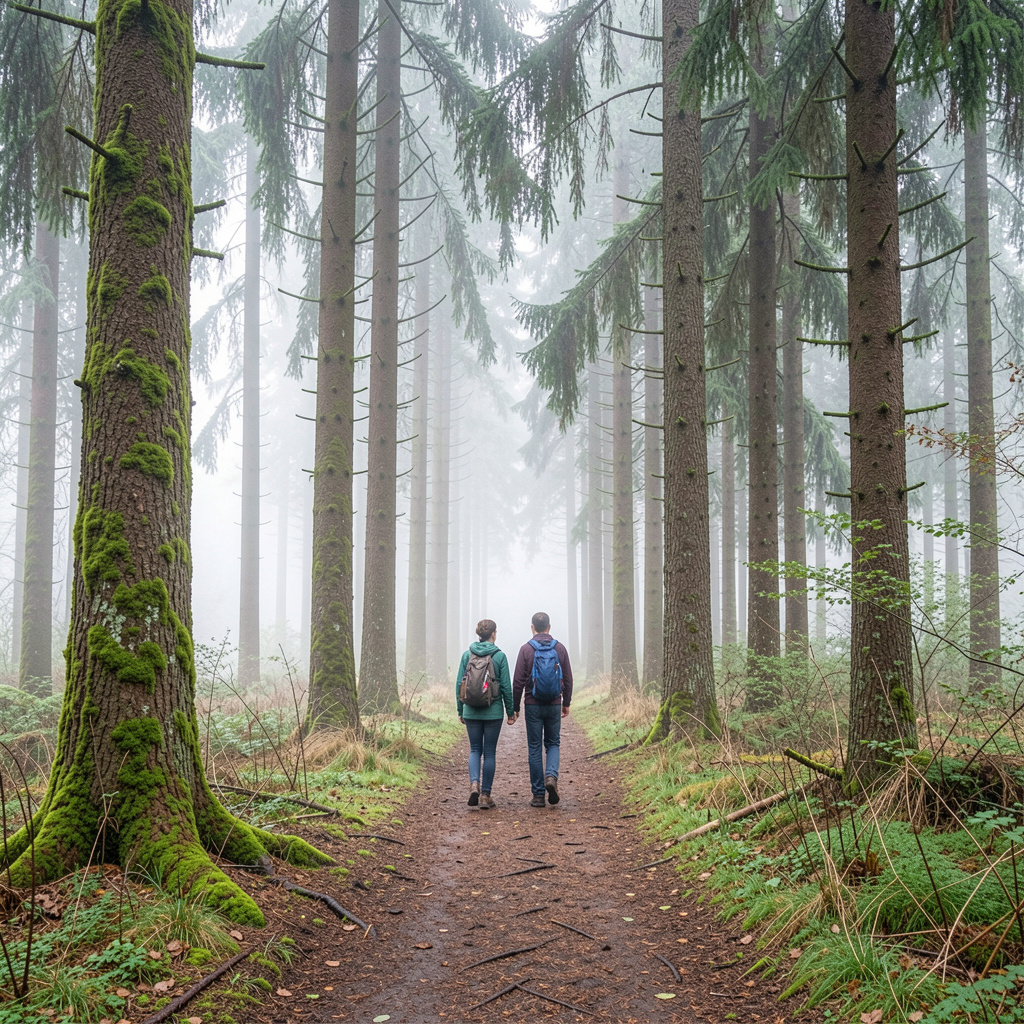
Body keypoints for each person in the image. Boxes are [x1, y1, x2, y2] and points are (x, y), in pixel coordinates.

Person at [511, 611, 573, 807]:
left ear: (532, 627)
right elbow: (568, 678)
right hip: (554, 704)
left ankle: (538, 795)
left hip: (533, 704)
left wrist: (514, 707)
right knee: (553, 743)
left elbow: (517, 682)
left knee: (535, 747)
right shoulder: (560, 648)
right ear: (549, 627)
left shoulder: (526, 649)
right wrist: (566, 702)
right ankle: (551, 777)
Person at [456, 619, 514, 810]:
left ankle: (474, 784)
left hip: (471, 710)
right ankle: (485, 795)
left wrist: (460, 709)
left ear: (478, 634)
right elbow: (506, 687)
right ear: (494, 634)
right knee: (489, 752)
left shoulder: (467, 655)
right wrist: (510, 711)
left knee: (474, 749)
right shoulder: (499, 656)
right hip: (493, 712)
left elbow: (459, 684)